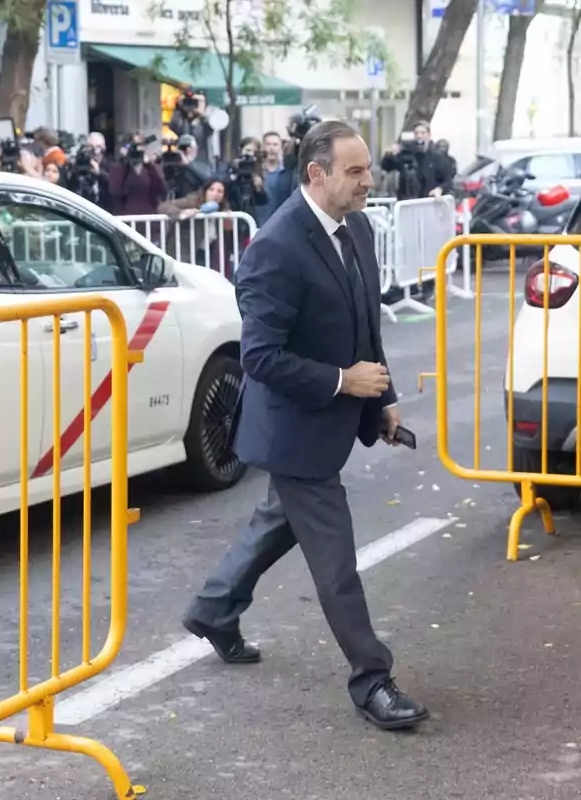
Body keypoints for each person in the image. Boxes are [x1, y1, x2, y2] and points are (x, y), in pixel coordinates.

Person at [180, 120, 429, 732]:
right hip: (293, 431)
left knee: (277, 521)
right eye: (355, 171)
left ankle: (213, 609)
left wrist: (384, 399)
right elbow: (260, 357)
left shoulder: (358, 227)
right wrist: (345, 382)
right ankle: (372, 679)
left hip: (331, 418)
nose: (369, 180)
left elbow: (366, 327)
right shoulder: (275, 245)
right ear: (316, 174)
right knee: (335, 558)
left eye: (368, 168)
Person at [379, 120, 453, 200]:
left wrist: (439, 189)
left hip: (429, 201)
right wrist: (389, 155)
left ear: (429, 135)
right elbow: (386, 167)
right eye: (416, 133)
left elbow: (448, 181)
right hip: (408, 201)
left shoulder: (438, 156)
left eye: (422, 133)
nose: (419, 136)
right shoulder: (407, 152)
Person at [254, 131, 295, 226]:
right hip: (259, 226)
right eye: (268, 144)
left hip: (283, 226)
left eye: (275, 144)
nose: (271, 148)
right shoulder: (256, 172)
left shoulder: (288, 173)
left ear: (280, 148)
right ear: (262, 147)